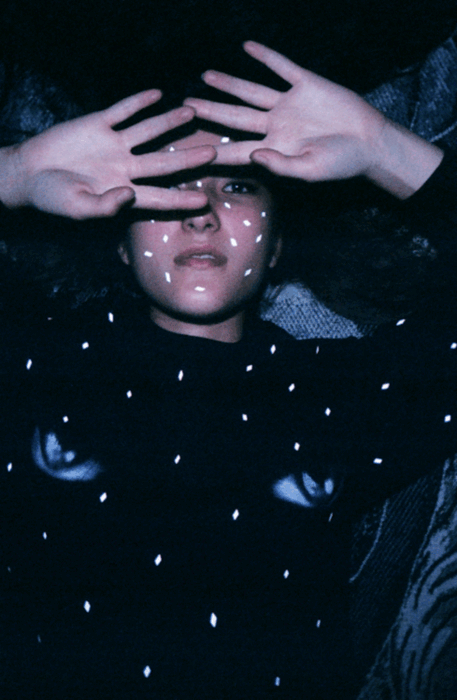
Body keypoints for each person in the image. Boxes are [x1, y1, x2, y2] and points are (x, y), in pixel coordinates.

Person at [0, 41, 456, 699]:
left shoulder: (336, 396)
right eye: (166, 183)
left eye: (237, 186)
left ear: (276, 246)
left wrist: (383, 147)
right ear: (121, 243)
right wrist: (15, 173)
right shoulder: (36, 364)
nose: (200, 212)